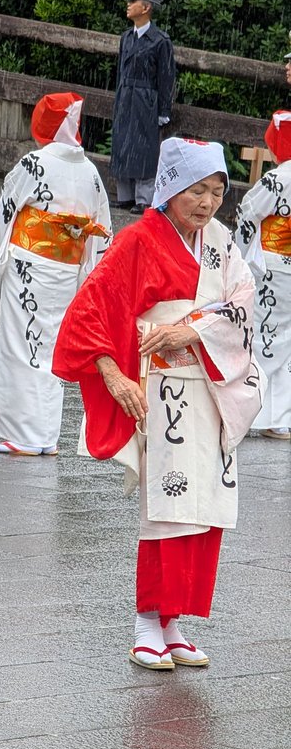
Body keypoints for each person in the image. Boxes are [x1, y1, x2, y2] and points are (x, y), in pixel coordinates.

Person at [53, 138, 262, 670]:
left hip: (211, 387)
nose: (208, 203)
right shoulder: (139, 240)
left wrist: (188, 329)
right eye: (196, 190)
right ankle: (147, 622)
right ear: (171, 188)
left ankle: (174, 623)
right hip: (163, 391)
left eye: (217, 191)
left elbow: (243, 304)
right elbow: (88, 311)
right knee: (167, 510)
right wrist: (115, 375)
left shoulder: (218, 242)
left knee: (204, 510)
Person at [0, 92, 111, 456]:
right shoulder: (90, 171)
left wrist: (11, 251)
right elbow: (102, 225)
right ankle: (46, 434)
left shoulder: (33, 164)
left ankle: (24, 434)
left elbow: (5, 214)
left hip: (30, 262)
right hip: (67, 268)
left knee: (18, 343)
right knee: (51, 346)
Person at [235, 107, 291, 438]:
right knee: (286, 342)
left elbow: (248, 214)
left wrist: (236, 257)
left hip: (272, 266)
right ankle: (280, 417)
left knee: (263, 336)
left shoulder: (277, 179)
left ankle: (252, 413)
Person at [110, 0, 176, 214]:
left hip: (147, 97)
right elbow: (120, 72)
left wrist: (163, 111)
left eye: (133, 2)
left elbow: (166, 78)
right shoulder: (127, 37)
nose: (128, 6)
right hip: (126, 95)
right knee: (122, 142)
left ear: (145, 7)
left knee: (144, 147)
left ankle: (143, 198)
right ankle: (124, 195)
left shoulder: (160, 41)